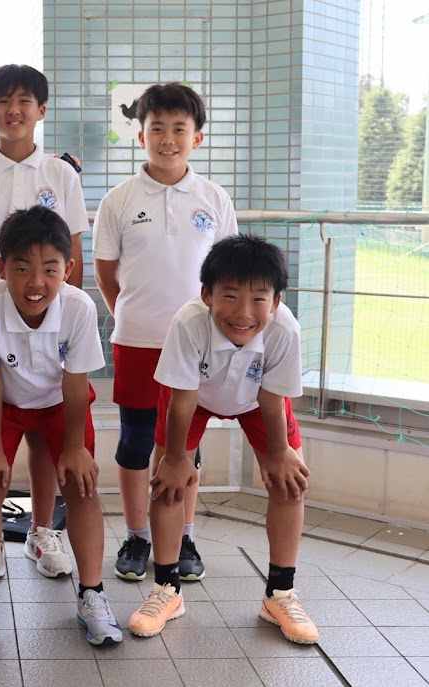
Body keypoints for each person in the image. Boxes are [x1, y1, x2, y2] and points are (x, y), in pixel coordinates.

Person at [128, 234, 319, 646]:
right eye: (230, 296)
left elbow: (272, 397)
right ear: (207, 295)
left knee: (290, 482)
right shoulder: (188, 323)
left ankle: (280, 594)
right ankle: (167, 589)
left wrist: (279, 453)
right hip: (192, 399)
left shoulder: (285, 330)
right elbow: (182, 399)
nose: (243, 313)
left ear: (276, 301)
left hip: (257, 401)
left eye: (258, 299)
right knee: (168, 483)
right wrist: (176, 459)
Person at [0, 206, 122, 648]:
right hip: (2, 404)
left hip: (59, 402)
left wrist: (75, 448)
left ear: (68, 268)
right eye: (22, 268)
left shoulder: (78, 307)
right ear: (0, 266)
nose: (36, 283)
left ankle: (92, 594)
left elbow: (75, 381)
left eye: (49, 269)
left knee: (82, 486)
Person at [92, 83, 237, 582]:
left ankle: (183, 535)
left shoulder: (214, 199)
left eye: (180, 129)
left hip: (197, 346)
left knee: (184, 445)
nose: (168, 139)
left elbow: (227, 274)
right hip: (136, 342)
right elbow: (105, 271)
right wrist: (127, 314)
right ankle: (138, 536)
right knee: (135, 442)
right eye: (157, 128)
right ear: (141, 136)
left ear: (198, 138)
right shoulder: (118, 200)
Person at [0, 64, 89, 580]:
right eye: (3, 101)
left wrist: (64, 310)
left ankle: (41, 530)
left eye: (24, 101)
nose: (13, 110)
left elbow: (73, 251)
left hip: (48, 322)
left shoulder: (60, 174)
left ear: (41, 110)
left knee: (44, 438)